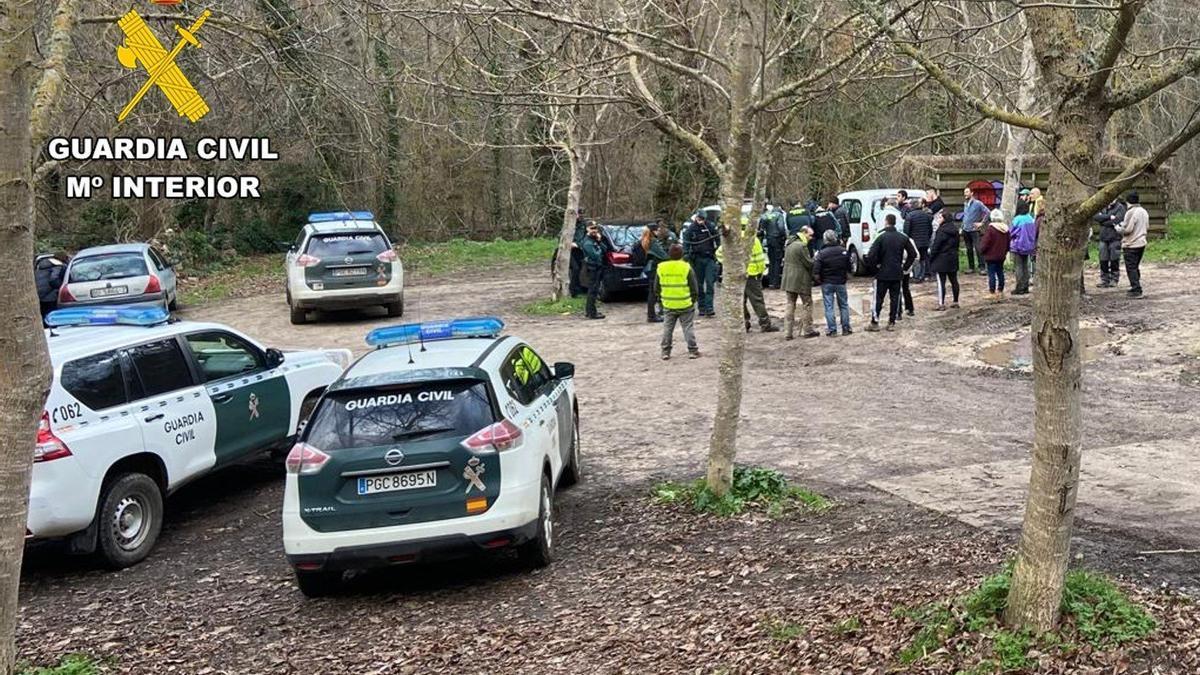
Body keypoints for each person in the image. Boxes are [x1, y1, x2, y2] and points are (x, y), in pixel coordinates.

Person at [716, 227, 779, 333]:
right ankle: (765, 323)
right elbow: (759, 259)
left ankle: (744, 323)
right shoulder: (753, 240)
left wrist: (730, 264)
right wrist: (760, 272)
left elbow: (718, 253)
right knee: (757, 300)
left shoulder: (732, 239)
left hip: (737, 275)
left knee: (741, 300)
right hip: (751, 274)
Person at [864, 213, 917, 331]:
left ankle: (875, 322)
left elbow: (871, 255)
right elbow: (912, 254)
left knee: (878, 299)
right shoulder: (902, 237)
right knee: (895, 298)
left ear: (886, 222)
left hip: (882, 273)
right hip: (897, 272)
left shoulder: (880, 237)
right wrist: (905, 267)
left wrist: (874, 269)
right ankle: (891, 322)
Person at [654, 244, 701, 360]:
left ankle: (665, 352)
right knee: (688, 327)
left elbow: (656, 287)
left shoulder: (661, 267)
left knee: (667, 328)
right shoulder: (686, 267)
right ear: (682, 254)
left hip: (668, 304)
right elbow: (694, 288)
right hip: (685, 303)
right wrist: (692, 300)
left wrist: (661, 300)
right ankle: (693, 351)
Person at [782, 226, 820, 340]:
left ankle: (787, 332)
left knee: (790, 304)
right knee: (807, 304)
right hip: (801, 280)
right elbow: (809, 263)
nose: (811, 238)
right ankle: (808, 330)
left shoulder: (789, 243)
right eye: (810, 235)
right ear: (803, 233)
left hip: (789, 279)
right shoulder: (802, 246)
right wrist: (816, 258)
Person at [812, 230, 853, 336]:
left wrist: (820, 280)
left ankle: (832, 330)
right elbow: (849, 267)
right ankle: (846, 328)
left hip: (827, 282)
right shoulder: (843, 251)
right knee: (844, 305)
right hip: (840, 282)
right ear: (835, 238)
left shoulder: (821, 253)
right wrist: (846, 276)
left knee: (829, 306)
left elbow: (816, 271)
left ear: (825, 239)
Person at [682, 212, 721, 316]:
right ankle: (702, 307)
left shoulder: (710, 226)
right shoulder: (691, 229)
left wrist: (719, 249)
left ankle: (709, 308)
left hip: (709, 258)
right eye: (699, 218)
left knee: (710, 283)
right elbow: (686, 242)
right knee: (698, 284)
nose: (701, 221)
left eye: (703, 219)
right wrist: (686, 254)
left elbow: (718, 238)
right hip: (697, 259)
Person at [1115, 191, 1148, 298]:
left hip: (1131, 244)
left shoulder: (1131, 212)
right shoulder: (1144, 211)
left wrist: (1118, 229)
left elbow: (1128, 229)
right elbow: (1147, 226)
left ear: (1128, 201)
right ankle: (1136, 286)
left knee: (1131, 268)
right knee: (1135, 266)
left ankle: (1136, 289)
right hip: (1142, 242)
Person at [928, 210, 961, 310]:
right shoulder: (955, 230)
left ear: (944, 219)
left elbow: (936, 246)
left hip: (941, 259)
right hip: (953, 258)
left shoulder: (941, 231)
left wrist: (931, 257)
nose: (938, 219)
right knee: (954, 280)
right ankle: (956, 301)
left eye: (940, 218)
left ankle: (941, 303)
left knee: (941, 282)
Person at [642, 221, 672, 322]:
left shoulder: (645, 240)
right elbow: (663, 256)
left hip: (650, 269)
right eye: (657, 230)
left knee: (652, 292)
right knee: (653, 292)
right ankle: (651, 316)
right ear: (653, 231)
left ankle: (652, 314)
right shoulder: (653, 241)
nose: (659, 231)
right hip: (654, 269)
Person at [1094, 197, 1126, 287]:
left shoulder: (1120, 207)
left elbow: (1117, 220)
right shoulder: (1102, 206)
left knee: (1114, 259)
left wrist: (1103, 221)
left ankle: (1114, 279)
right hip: (1103, 238)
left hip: (1115, 238)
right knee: (1103, 260)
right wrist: (1109, 217)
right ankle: (1104, 280)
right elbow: (1096, 217)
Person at [580, 221, 609, 319]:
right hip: (592, 268)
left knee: (594, 291)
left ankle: (591, 311)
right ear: (587, 229)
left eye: (595, 228)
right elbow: (596, 255)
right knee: (592, 291)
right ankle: (591, 313)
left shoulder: (595, 240)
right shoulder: (587, 242)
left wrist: (599, 241)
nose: (594, 230)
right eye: (592, 228)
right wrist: (599, 247)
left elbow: (605, 250)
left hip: (597, 268)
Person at [981, 209, 1011, 298]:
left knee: (991, 274)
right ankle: (1000, 291)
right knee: (1000, 272)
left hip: (991, 255)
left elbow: (986, 242)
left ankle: (992, 292)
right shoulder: (1006, 229)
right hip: (1001, 255)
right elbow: (1008, 242)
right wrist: (1005, 251)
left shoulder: (991, 229)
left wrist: (982, 250)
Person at [904, 198, 934, 282]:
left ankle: (916, 276)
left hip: (914, 242)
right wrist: (927, 238)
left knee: (915, 258)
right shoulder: (926, 215)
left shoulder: (909, 216)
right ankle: (926, 274)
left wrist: (908, 240)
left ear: (912, 206)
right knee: (924, 258)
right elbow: (930, 229)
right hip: (925, 241)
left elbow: (906, 230)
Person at [1009, 202, 1036, 295]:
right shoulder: (1030, 219)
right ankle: (1025, 286)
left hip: (1018, 246)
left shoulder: (1017, 219)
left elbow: (1011, 232)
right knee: (1026, 266)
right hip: (1029, 246)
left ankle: (1019, 287)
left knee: (1018, 267)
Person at [759, 204, 788, 290]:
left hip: (769, 240)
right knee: (777, 261)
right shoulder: (779, 215)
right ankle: (776, 283)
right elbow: (781, 227)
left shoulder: (766, 216)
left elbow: (761, 228)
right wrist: (783, 236)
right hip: (777, 240)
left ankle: (770, 282)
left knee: (771, 261)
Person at [961, 188, 989, 275]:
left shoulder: (978, 203)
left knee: (978, 248)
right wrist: (962, 227)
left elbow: (988, 212)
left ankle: (982, 267)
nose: (965, 194)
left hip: (974, 230)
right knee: (969, 249)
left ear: (972, 193)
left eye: (967, 192)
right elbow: (965, 216)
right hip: (966, 229)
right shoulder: (965, 204)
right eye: (964, 192)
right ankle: (971, 267)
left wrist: (982, 223)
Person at [568, 215, 588, 297]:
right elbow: (562, 236)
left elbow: (586, 237)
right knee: (575, 269)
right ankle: (573, 291)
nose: (578, 216)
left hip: (579, 250)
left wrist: (578, 244)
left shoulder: (584, 224)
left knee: (580, 269)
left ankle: (579, 288)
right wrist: (569, 243)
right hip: (569, 251)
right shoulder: (569, 224)